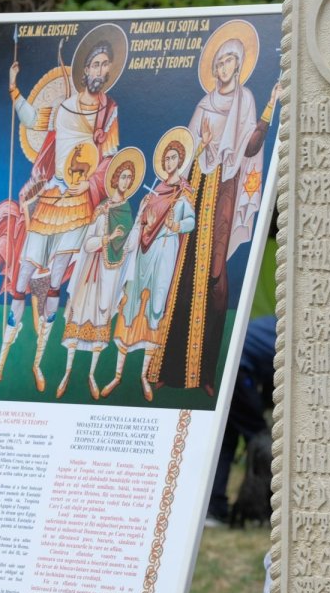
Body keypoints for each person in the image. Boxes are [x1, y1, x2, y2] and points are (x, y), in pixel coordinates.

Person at [0, 25, 126, 391]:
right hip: (50, 200)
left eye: (107, 65)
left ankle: (38, 364)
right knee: (24, 276)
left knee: (55, 280)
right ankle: (0, 365)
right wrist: (14, 88)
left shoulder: (109, 113)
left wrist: (98, 189)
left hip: (79, 204)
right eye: (96, 64)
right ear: (85, 69)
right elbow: (30, 121)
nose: (101, 71)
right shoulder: (62, 108)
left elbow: (110, 159)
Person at [154, 22, 279, 396]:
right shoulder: (204, 104)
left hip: (224, 194)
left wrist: (271, 103)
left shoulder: (247, 102)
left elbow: (252, 148)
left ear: (239, 66)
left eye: (230, 61)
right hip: (196, 194)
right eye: (220, 61)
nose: (224, 67)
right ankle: (166, 369)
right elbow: (187, 151)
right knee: (182, 275)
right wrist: (202, 146)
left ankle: (207, 375)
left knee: (216, 278)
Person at [104, 129, 195, 401]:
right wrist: (143, 210)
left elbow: (190, 222)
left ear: (180, 161)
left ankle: (143, 375)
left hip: (165, 250)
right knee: (132, 304)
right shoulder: (154, 190)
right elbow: (142, 223)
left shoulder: (183, 193)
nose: (168, 162)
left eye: (173, 157)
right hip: (144, 252)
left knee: (156, 305)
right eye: (165, 158)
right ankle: (117, 375)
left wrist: (176, 224)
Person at [55, 147, 142, 399]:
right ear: (114, 178)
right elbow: (88, 243)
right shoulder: (103, 208)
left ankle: (91, 374)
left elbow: (127, 248)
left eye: (129, 177)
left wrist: (136, 230)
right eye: (122, 176)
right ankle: (67, 372)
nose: (125, 181)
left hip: (110, 275)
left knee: (101, 320)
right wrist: (107, 238)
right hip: (90, 273)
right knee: (78, 319)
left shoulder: (127, 211)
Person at [207, 314, 276, 525]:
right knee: (262, 442)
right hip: (238, 369)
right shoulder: (299, 333)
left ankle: (213, 510)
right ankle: (260, 510)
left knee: (225, 440)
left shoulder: (275, 321)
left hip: (216, 366)